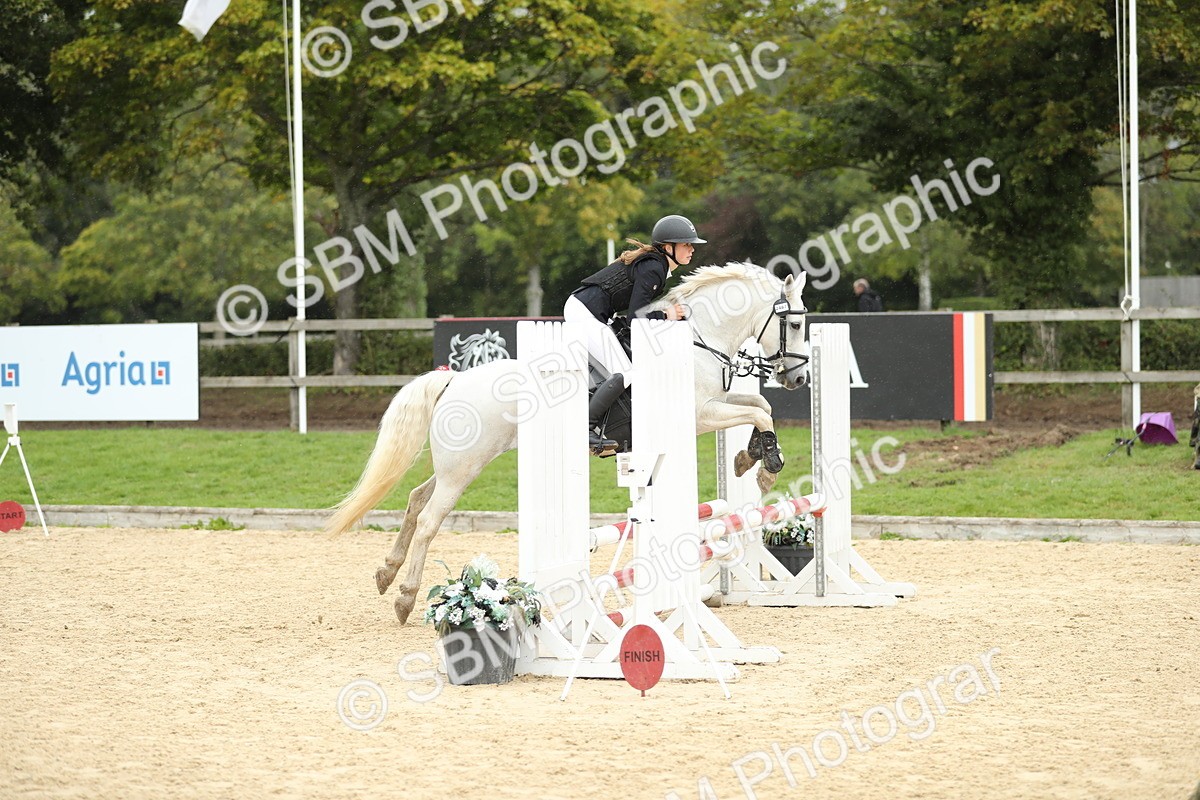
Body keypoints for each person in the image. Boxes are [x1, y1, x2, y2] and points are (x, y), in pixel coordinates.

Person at [563, 214, 706, 453]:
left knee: (624, 367)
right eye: (686, 244)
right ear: (668, 247)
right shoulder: (654, 268)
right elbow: (636, 318)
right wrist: (667, 315)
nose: (691, 249)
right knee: (625, 372)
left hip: (591, 311)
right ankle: (585, 427)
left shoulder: (656, 266)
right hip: (585, 312)